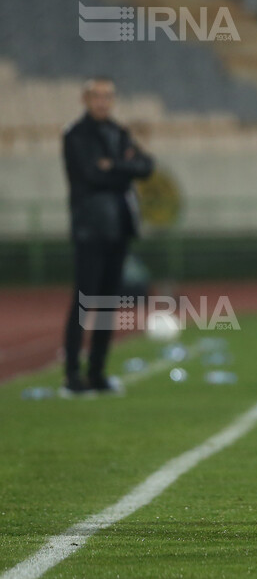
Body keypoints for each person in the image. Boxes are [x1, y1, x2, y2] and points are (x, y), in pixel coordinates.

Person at [61, 76, 154, 396]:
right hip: (91, 226)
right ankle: (73, 374)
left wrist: (112, 166)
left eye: (108, 96)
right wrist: (122, 169)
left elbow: (146, 165)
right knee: (84, 301)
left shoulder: (118, 132)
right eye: (96, 96)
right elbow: (90, 174)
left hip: (119, 227)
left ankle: (97, 373)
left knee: (108, 303)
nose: (102, 101)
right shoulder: (76, 135)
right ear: (85, 98)